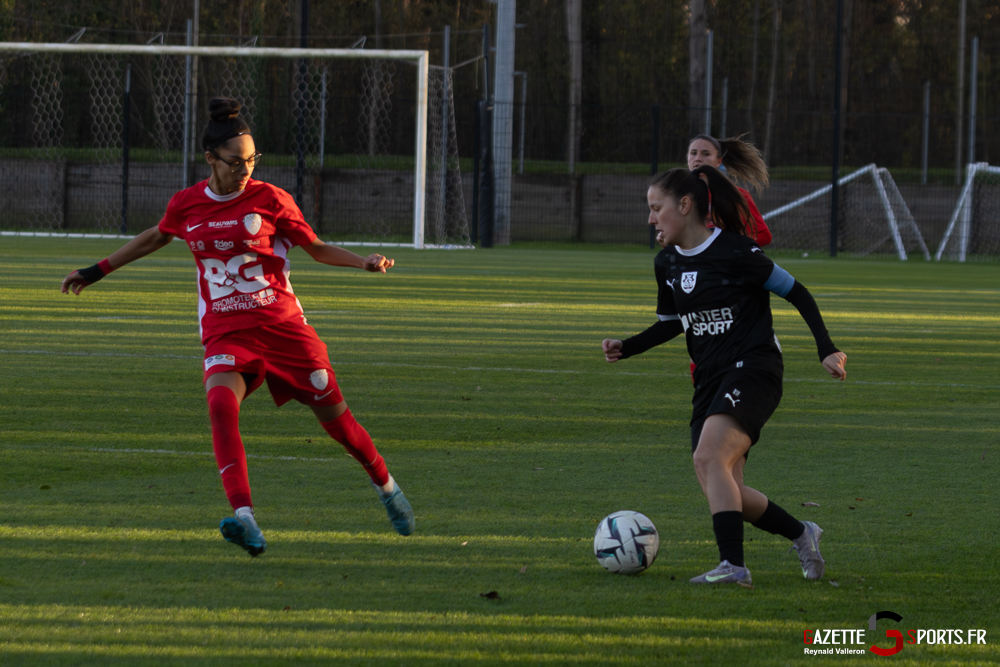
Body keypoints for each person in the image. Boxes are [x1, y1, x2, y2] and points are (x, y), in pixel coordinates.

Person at [61, 97, 414, 557]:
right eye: (235, 161)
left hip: (283, 328)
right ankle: (245, 518)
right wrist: (97, 270)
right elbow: (156, 236)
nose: (245, 169)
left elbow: (316, 248)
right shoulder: (187, 204)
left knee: (339, 424)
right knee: (220, 406)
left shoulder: (271, 199)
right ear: (211, 158)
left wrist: (362, 262)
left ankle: (386, 487)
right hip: (226, 331)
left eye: (252, 159)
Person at [601, 166, 846, 584]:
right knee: (724, 488)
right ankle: (801, 532)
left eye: (656, 208)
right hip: (709, 380)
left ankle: (733, 566)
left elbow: (796, 291)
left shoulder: (736, 252)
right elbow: (673, 323)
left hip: (754, 368)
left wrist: (826, 348)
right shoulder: (667, 263)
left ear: (685, 205)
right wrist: (629, 346)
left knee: (709, 457)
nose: (650, 218)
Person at [687, 134, 772, 246]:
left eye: (706, 154)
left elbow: (763, 236)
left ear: (718, 161)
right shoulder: (676, 194)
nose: (697, 158)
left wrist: (728, 246)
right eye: (693, 153)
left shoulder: (736, 195)